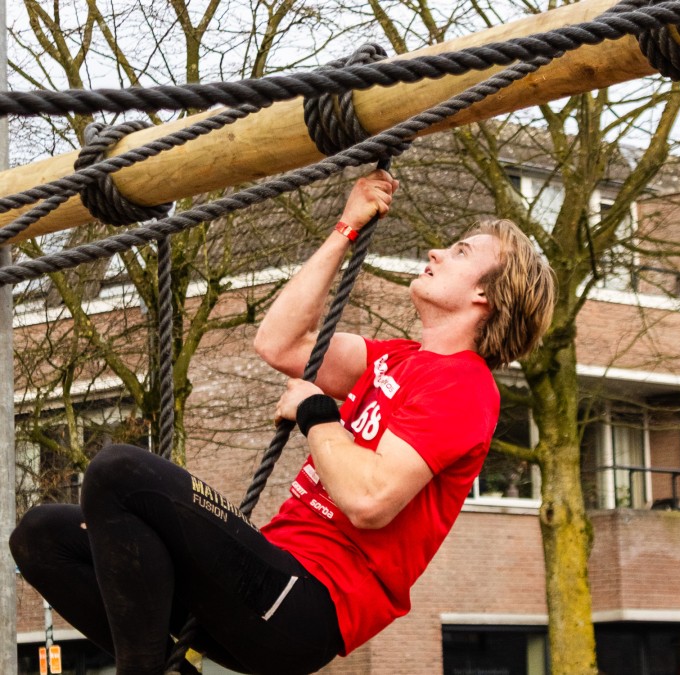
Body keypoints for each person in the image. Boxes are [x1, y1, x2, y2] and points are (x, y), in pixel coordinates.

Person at [9, 169, 556, 675]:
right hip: (262, 576)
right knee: (42, 536)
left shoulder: (464, 386)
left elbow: (369, 499)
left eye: (460, 251)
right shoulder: (397, 358)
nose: (437, 251)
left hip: (307, 604)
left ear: (485, 294)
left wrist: (318, 414)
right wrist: (345, 228)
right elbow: (280, 342)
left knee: (120, 470)